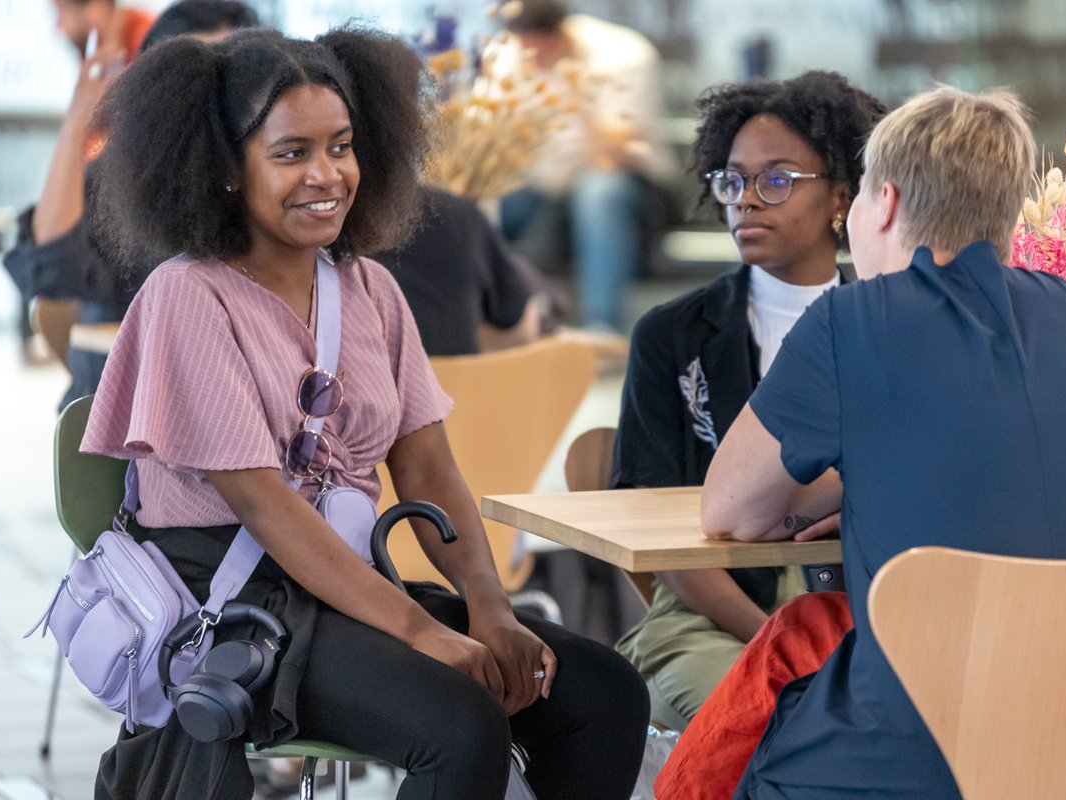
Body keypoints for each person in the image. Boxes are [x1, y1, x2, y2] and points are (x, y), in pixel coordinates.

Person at [79, 26, 648, 800]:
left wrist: (491, 608)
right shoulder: (188, 295)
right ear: (225, 169)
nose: (327, 174)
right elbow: (267, 507)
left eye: (341, 147)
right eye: (292, 153)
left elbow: (429, 468)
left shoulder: (370, 288)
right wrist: (421, 631)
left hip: (343, 584)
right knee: (461, 723)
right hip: (231, 603)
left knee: (603, 693)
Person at [690, 86, 1066, 799]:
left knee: (751, 732)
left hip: (917, 756)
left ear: (883, 203)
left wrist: (851, 482)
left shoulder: (849, 321)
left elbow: (728, 512)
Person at [612, 72, 885, 734]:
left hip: (867, 609)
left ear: (842, 195)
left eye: (777, 179)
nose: (748, 200)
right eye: (732, 181)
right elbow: (656, 534)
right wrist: (770, 634)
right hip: (709, 616)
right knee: (767, 716)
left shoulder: (888, 326)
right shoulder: (672, 336)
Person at [3, 0, 260, 408]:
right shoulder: (125, 177)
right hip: (126, 409)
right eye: (193, 78)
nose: (212, 100)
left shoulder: (278, 183)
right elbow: (52, 270)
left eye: (231, 78)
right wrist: (79, 116)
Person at [494, 0, 672, 331]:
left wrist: (572, 88)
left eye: (540, 51)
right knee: (469, 201)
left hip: (631, 186)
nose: (533, 60)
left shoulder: (623, 52)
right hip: (542, 186)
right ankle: (489, 327)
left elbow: (619, 151)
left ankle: (602, 326)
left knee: (600, 189)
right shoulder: (507, 55)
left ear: (562, 33)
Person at [373, 186, 541, 355]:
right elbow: (524, 327)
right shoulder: (459, 214)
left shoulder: (361, 232)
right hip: (460, 372)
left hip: (377, 369)